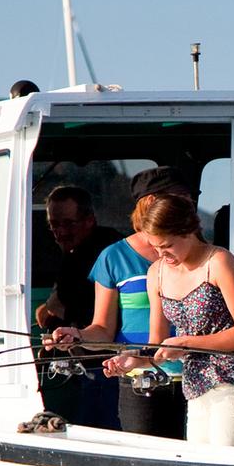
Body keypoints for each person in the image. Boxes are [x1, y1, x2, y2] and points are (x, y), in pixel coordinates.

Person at [101, 194, 234, 446]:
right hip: (195, 389)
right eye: (155, 248)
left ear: (188, 231)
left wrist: (186, 343)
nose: (160, 254)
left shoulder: (219, 262)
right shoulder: (156, 273)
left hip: (233, 385)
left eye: (166, 246)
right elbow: (156, 343)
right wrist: (132, 359)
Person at [45, 167, 194, 439]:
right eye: (179, 199)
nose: (189, 205)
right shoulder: (113, 256)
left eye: (189, 199)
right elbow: (102, 328)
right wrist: (77, 335)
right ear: (151, 204)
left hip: (200, 380)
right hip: (141, 381)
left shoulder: (204, 252)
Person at [33, 185, 120, 426]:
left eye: (68, 223)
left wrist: (49, 310)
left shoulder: (95, 254)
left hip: (105, 367)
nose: (60, 231)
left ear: (89, 220)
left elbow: (51, 313)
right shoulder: (83, 251)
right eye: (54, 225)